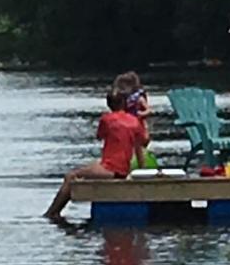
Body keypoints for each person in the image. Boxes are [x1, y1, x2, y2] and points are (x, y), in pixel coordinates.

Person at [43, 89, 146, 220]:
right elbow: (140, 147)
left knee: (71, 176)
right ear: (124, 103)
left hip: (110, 169)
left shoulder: (107, 119)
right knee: (90, 170)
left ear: (109, 104)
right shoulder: (135, 121)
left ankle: (52, 213)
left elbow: (100, 136)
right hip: (122, 170)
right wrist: (142, 172)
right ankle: (53, 213)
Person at [114, 71, 151, 147]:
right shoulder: (122, 99)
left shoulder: (139, 98)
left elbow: (148, 110)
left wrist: (141, 113)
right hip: (126, 123)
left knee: (143, 140)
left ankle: (142, 155)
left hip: (138, 122)